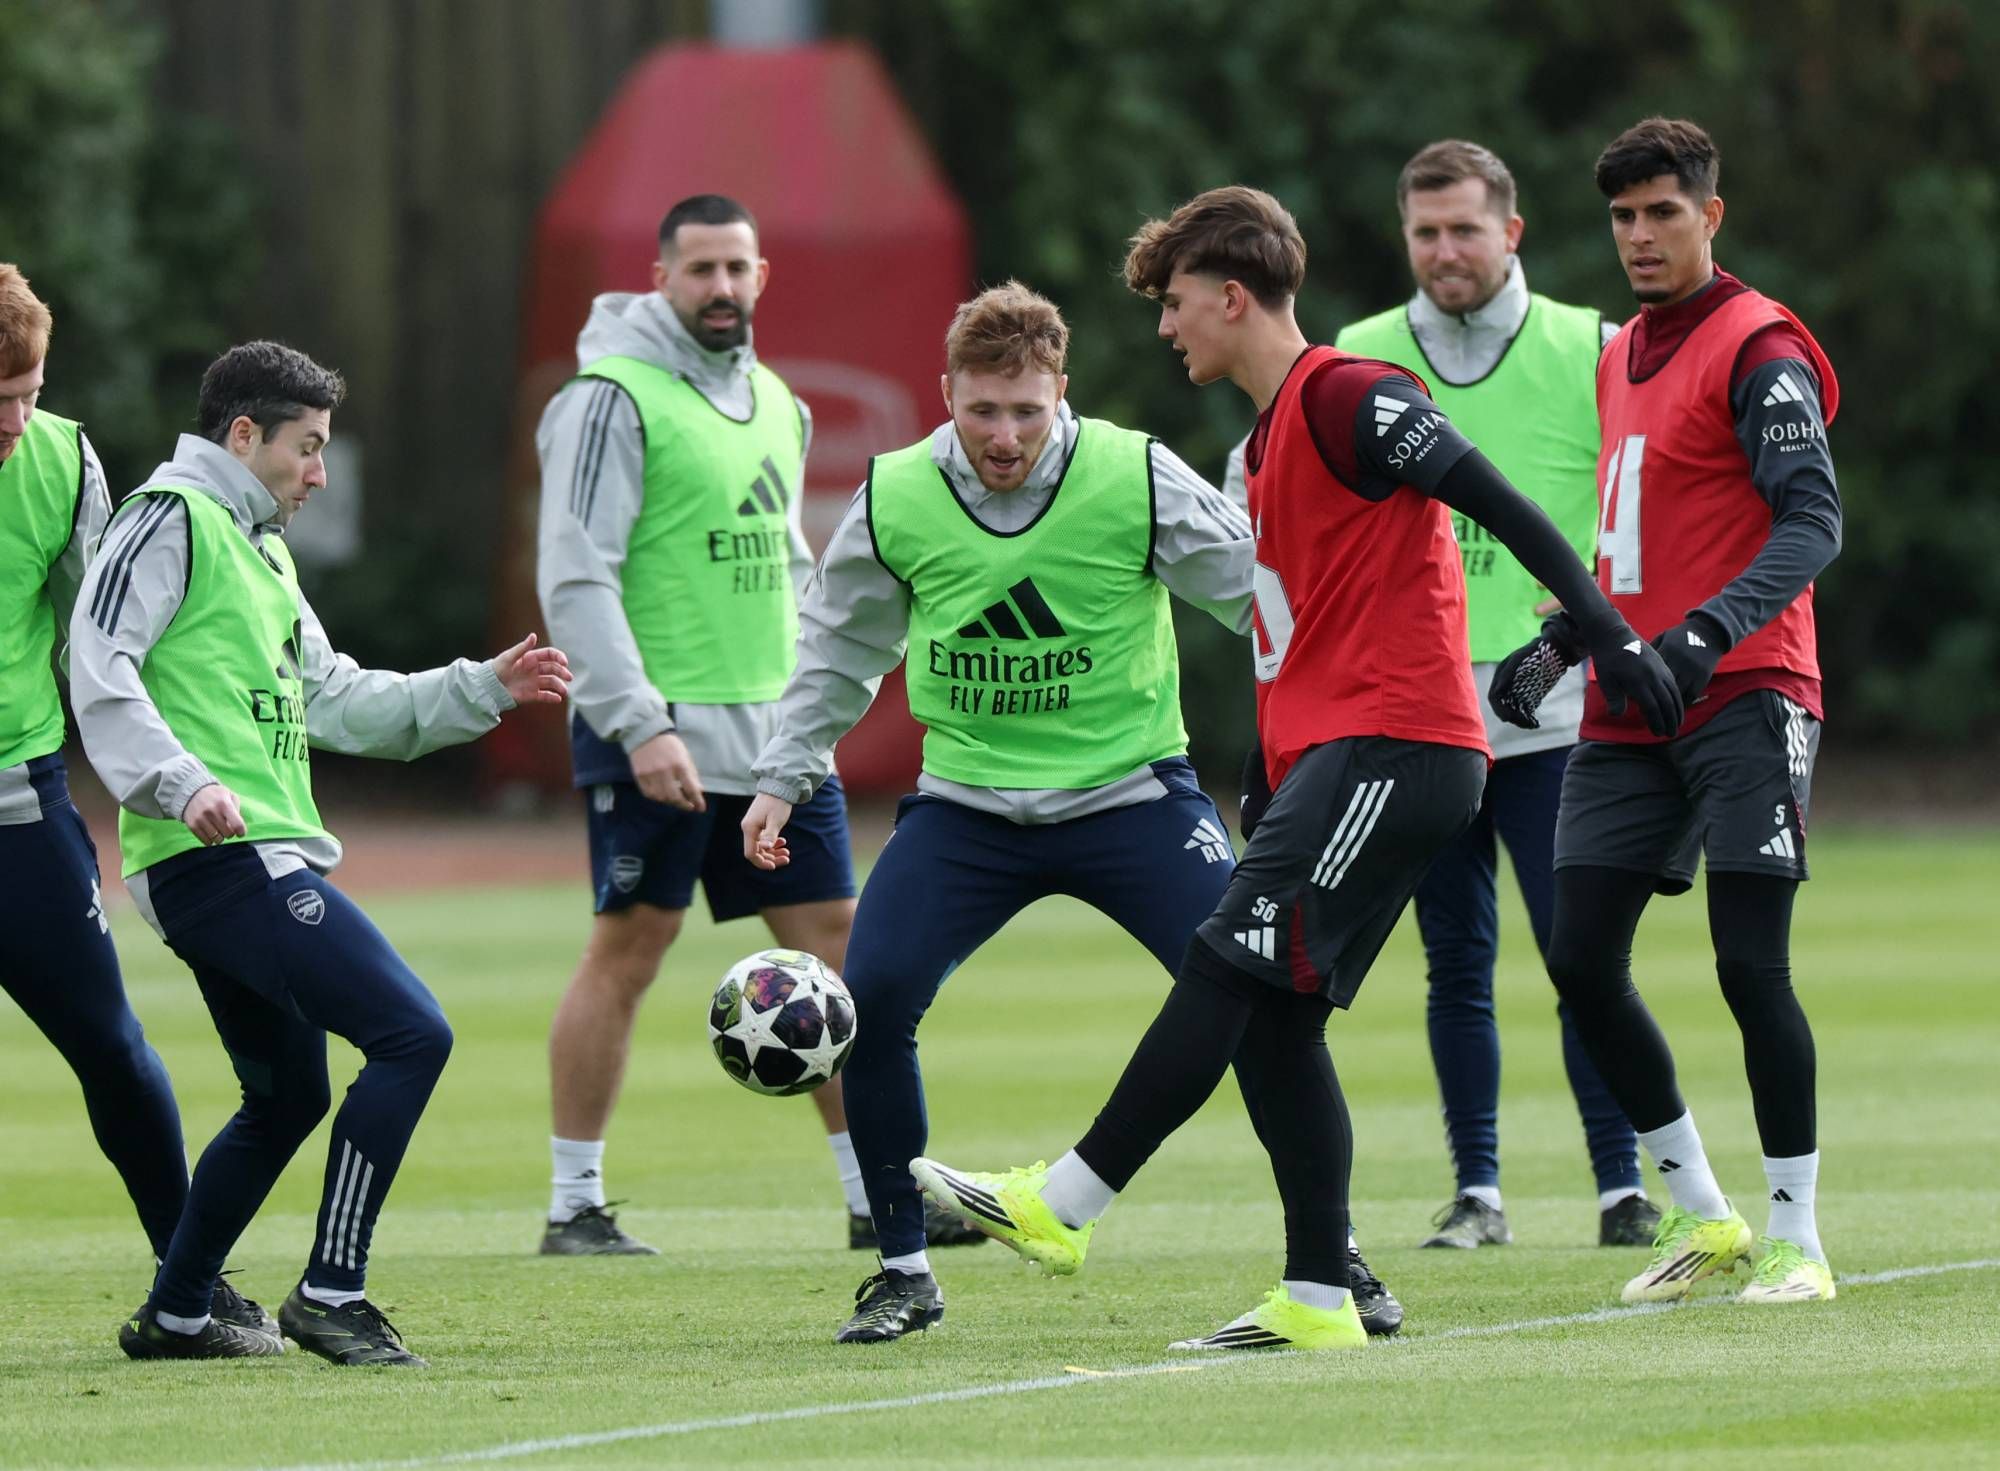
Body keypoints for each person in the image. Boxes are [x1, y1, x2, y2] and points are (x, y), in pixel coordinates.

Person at [915, 187, 1682, 1353]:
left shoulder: (1350, 394)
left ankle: (1063, 1201)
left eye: (1175, 302)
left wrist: (1605, 632)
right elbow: (1295, 627)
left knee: (1222, 961)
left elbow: (1500, 502)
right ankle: (1320, 1295)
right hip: (1337, 753)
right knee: (1274, 1024)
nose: (1164, 327)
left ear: (1231, 298)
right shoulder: (1265, 439)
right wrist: (1268, 770)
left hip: (1395, 745)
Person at [740, 282, 1415, 1344]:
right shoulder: (895, 493)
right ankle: (904, 1271)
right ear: (946, 395)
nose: (1004, 436)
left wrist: (1335, 723)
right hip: (965, 809)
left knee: (1257, 1003)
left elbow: (1267, 596)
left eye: (1026, 410)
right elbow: (836, 649)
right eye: (982, 411)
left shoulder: (1132, 473)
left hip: (1132, 796)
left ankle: (1332, 1263)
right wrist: (782, 776)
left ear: (1062, 392)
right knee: (872, 999)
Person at [71, 340, 572, 1364]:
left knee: (288, 1095)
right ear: (242, 435)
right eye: (307, 446)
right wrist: (181, 780)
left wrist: (481, 687)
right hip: (221, 854)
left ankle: (177, 1312)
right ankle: (330, 1292)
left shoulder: (257, 548)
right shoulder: (167, 518)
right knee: (412, 1033)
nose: (320, 473)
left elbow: (335, 696)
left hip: (244, 857)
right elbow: (98, 661)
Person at [1489, 118, 1843, 1305]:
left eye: (1661, 212)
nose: (1639, 235)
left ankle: (1796, 1238)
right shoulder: (1619, 354)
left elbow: (1812, 521)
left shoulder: (1758, 345)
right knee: (1579, 958)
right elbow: (1635, 541)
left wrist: (1701, 635)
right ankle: (1702, 1213)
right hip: (1629, 699)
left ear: (1709, 215)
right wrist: (1563, 637)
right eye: (1622, 216)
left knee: (1748, 966)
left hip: (1745, 688)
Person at [535, 194, 930, 1255]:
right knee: (630, 946)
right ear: (660, 277)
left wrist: (807, 716)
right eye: (700, 268)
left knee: (837, 947)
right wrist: (637, 721)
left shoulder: (778, 403)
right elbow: (574, 573)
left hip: (773, 740)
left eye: (736, 268)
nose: (720, 287)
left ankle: (875, 1198)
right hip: (657, 728)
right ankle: (574, 1206)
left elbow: (791, 571)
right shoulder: (607, 400)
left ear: (763, 277)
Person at [1334, 141, 1655, 1249]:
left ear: (1510, 232)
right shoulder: (1357, 355)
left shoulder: (1591, 347)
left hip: (1557, 714)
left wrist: (1602, 619)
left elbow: (1638, 504)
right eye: (1424, 232)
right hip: (1421, 713)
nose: (1444, 251)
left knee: (1582, 958)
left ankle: (1621, 1187)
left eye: (1464, 228)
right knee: (1454, 961)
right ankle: (1478, 1191)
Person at [0, 265, 269, 1333]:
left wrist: (180, 765)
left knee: (112, 1045)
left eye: (29, 393)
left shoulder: (64, 461)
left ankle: (188, 1285)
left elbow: (105, 642)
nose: (15, 421)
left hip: (20, 809)